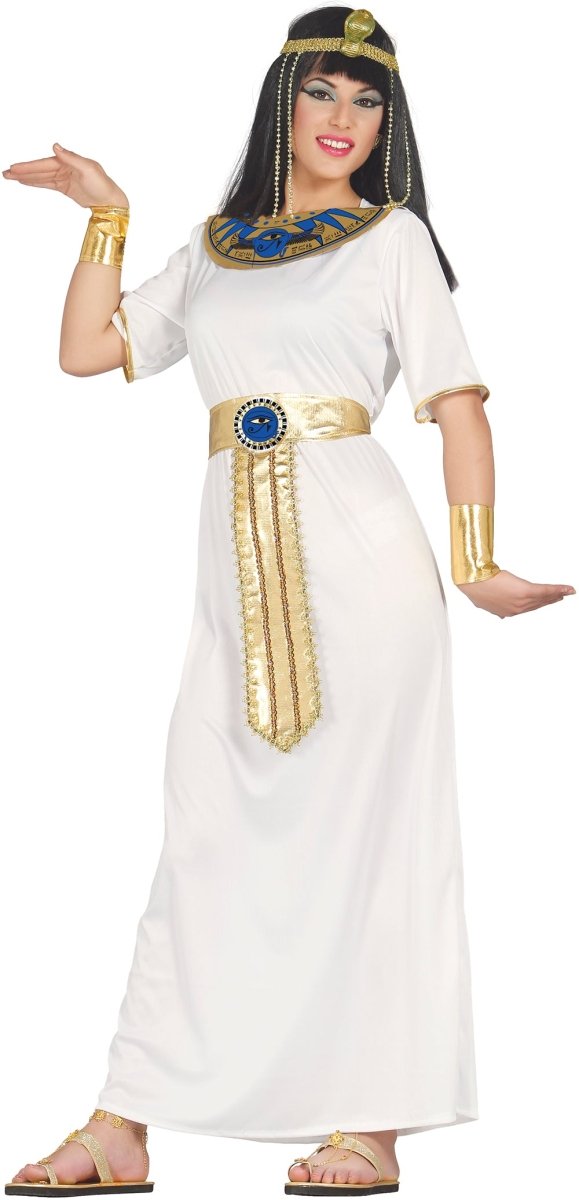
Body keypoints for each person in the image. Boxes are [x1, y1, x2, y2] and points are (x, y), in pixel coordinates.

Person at [3, 5, 575, 1198]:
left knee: (372, 836)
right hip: (233, 578)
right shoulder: (218, 248)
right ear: (284, 102)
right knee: (202, 833)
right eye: (323, 92)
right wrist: (108, 216)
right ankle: (124, 1122)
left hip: (363, 564)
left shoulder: (394, 240)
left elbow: (458, 403)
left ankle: (371, 1125)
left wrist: (475, 562)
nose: (343, 119)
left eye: (367, 100)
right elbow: (87, 351)